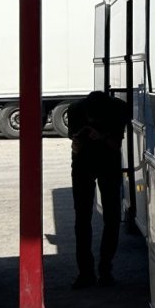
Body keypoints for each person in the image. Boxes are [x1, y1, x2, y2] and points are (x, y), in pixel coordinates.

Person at [66, 90, 130, 287]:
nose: (92, 121)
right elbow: (74, 145)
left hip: (108, 162)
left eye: (97, 119)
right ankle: (86, 273)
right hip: (82, 163)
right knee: (82, 219)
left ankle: (105, 270)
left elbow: (116, 144)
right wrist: (78, 140)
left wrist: (102, 136)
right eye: (90, 119)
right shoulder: (75, 110)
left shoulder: (118, 109)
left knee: (112, 217)